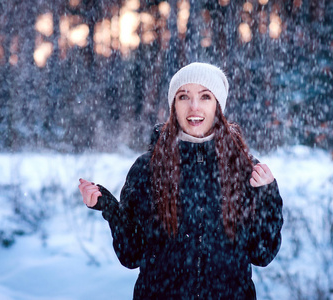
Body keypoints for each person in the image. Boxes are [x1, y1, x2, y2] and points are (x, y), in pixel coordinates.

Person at [78, 62, 283, 299]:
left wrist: (268, 196)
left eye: (205, 96)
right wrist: (110, 208)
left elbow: (263, 253)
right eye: (184, 96)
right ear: (173, 105)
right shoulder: (147, 168)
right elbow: (131, 255)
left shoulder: (244, 169)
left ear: (218, 105)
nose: (194, 106)